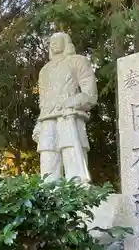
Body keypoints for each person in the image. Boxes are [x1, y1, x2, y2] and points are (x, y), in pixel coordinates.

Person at [32, 32, 98, 183]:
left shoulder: (78, 61)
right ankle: (49, 196)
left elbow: (90, 94)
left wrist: (73, 101)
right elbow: (43, 101)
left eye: (58, 40)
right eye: (51, 41)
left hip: (69, 114)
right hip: (47, 118)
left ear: (66, 42)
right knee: (48, 156)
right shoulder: (44, 71)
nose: (53, 43)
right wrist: (39, 124)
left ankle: (77, 191)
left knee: (71, 152)